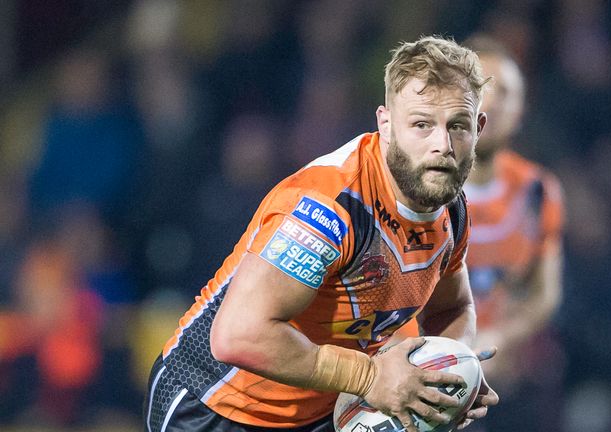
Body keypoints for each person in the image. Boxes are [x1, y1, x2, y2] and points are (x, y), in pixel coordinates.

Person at [144, 35, 498, 432]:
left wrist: (452, 374)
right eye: (421, 124)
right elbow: (239, 336)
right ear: (385, 124)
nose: (442, 145)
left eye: (458, 126)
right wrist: (370, 377)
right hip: (218, 407)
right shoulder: (329, 206)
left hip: (323, 412)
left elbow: (452, 308)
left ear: (479, 128)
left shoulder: (451, 207)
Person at [462, 34, 565, 430]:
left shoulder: (538, 191)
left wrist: (502, 338)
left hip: (507, 381)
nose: (492, 102)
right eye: (482, 87)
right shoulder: (413, 188)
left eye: (506, 92)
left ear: (521, 110)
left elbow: (545, 292)